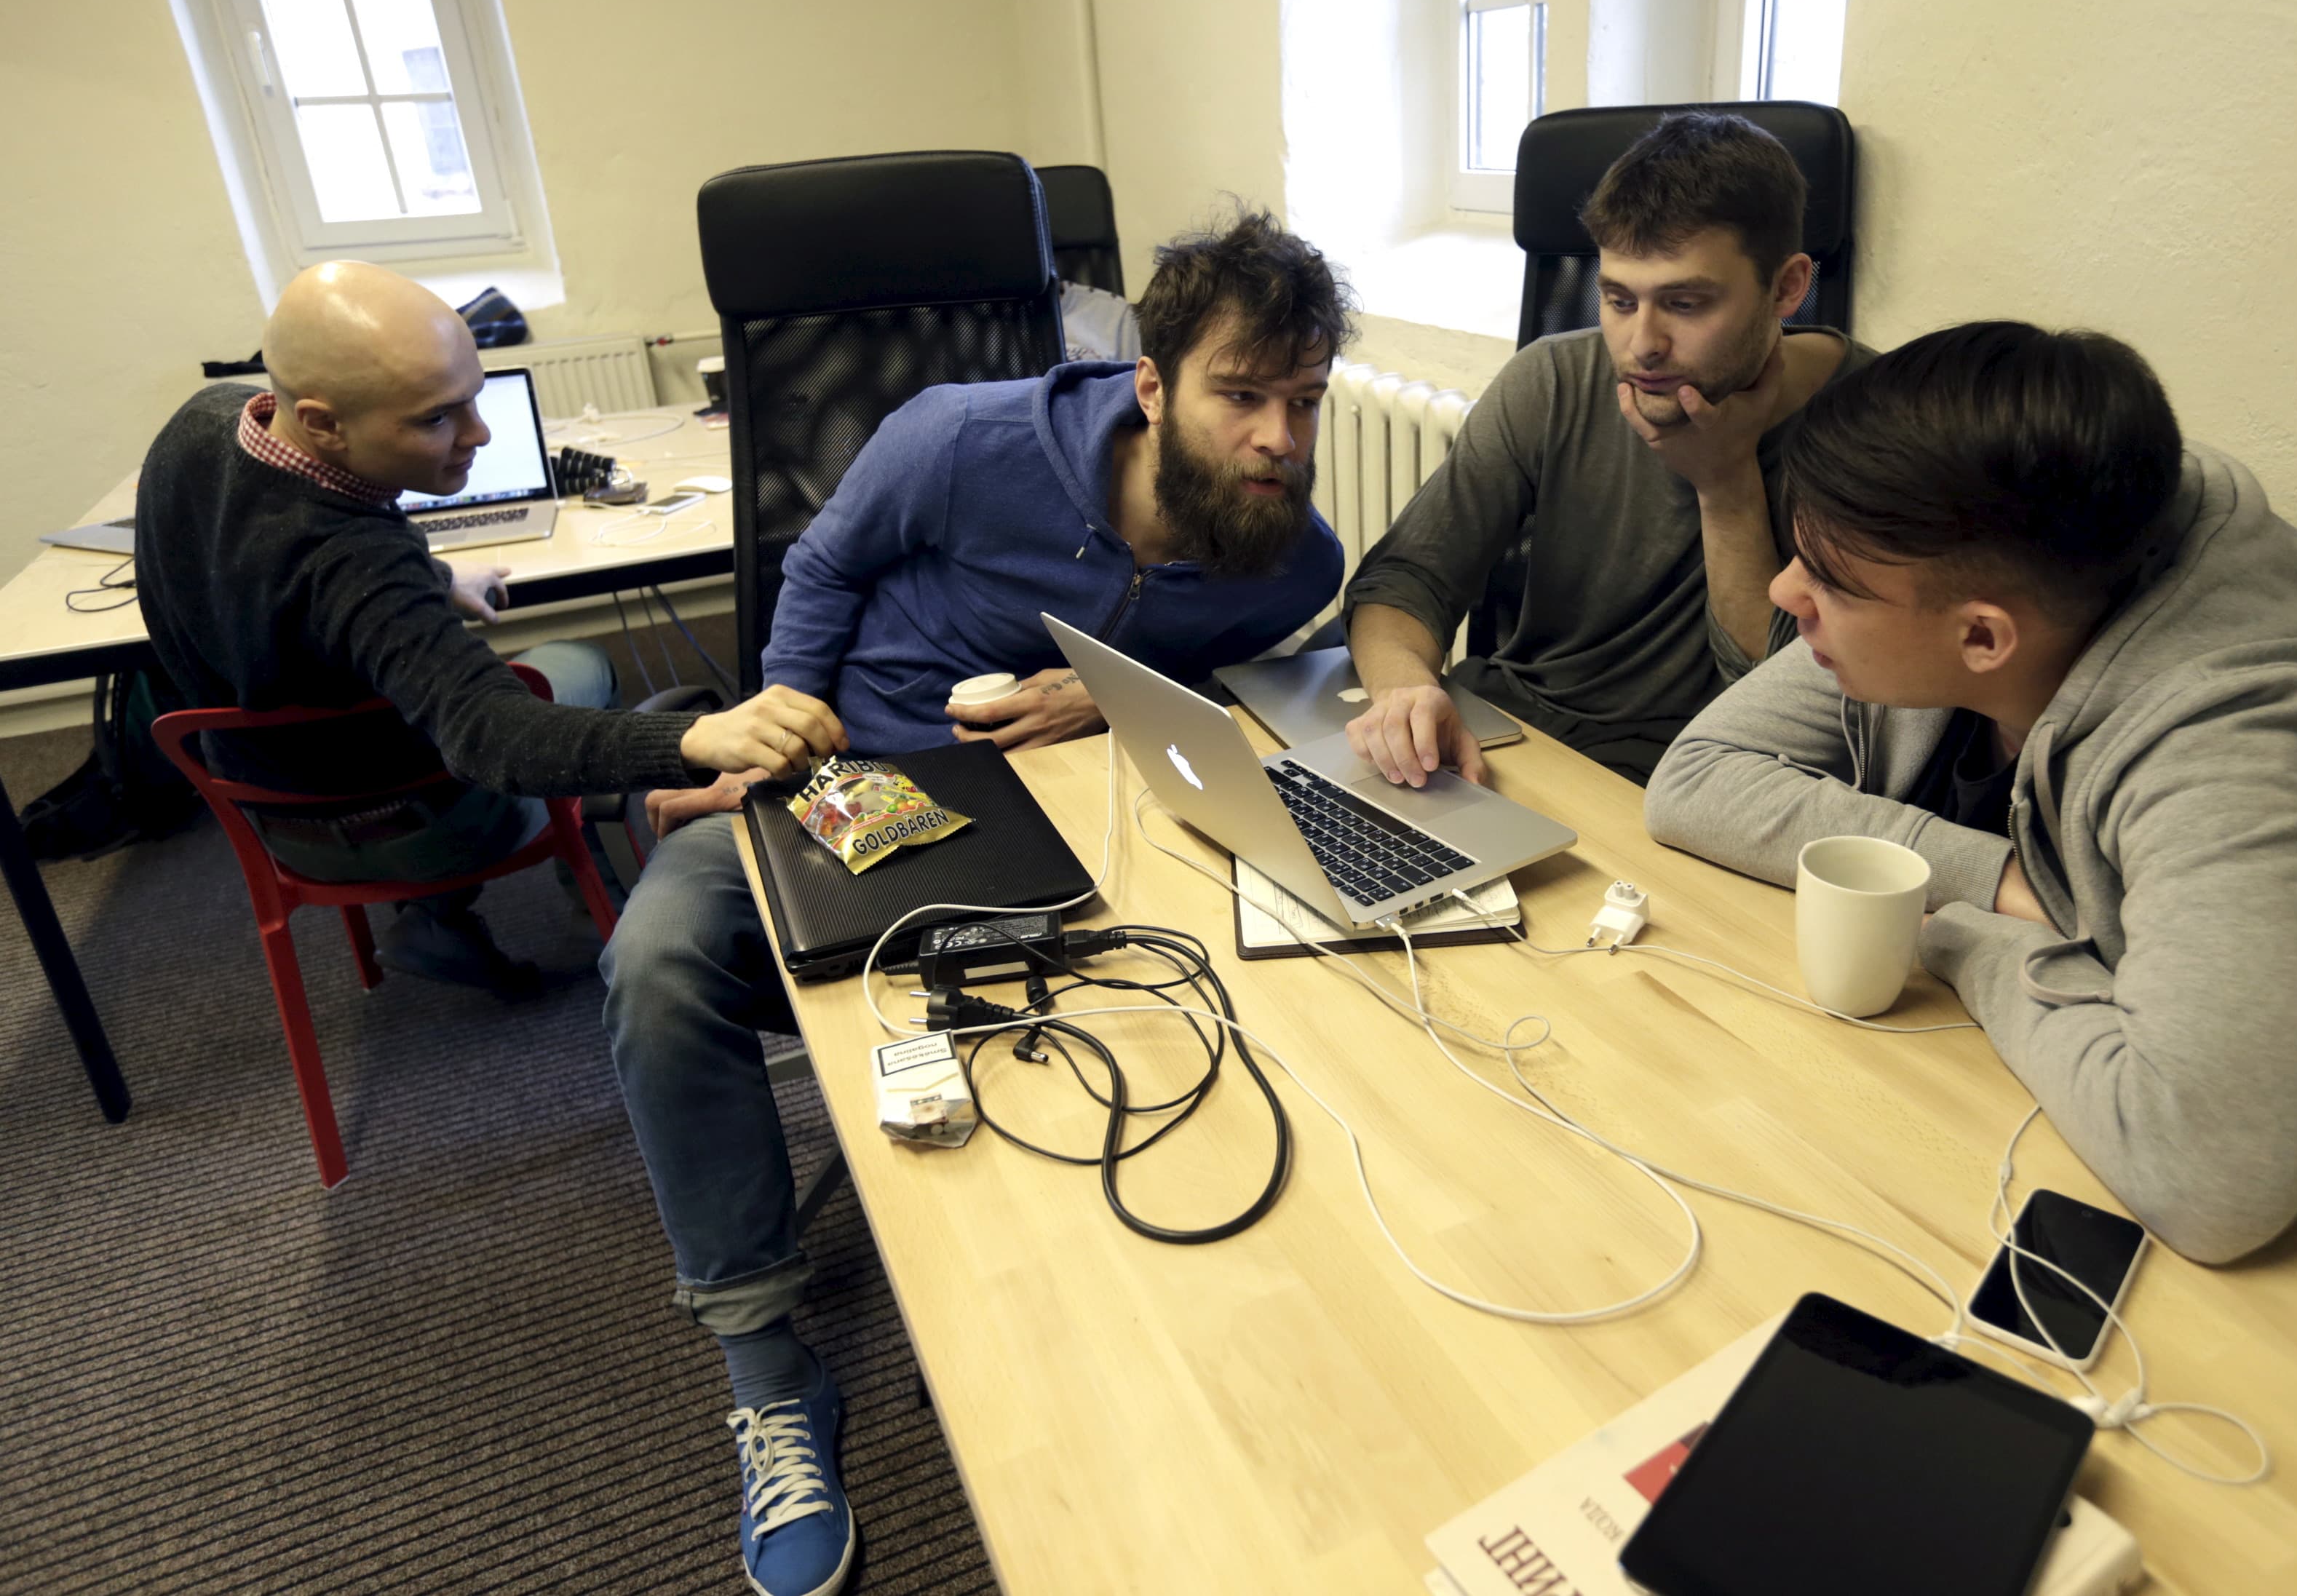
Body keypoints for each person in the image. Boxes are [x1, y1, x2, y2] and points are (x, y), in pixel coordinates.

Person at [601, 210, 1349, 1596]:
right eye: (1242, 395)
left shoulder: (1286, 549)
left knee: (1258, 956)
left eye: (1303, 401)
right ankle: (768, 1369)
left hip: (1089, 820)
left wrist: (1122, 702)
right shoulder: (961, 440)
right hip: (864, 776)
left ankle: (1160, 1336)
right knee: (657, 962)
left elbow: (1278, 676)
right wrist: (781, 732)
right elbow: (818, 570)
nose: (1278, 440)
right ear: (1154, 384)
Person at [1643, 320, 2297, 1264]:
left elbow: (2212, 1181)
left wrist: (1954, 933)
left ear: (1984, 640)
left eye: (1826, 578)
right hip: (2076, 1104)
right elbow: (1697, 781)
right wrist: (1992, 878)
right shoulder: (1960, 545)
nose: (1787, 591)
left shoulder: (2240, 753)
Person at [134, 261, 846, 996]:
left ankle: (439, 921)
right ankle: (594, 902)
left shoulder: (204, 423)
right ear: (320, 421)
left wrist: (437, 580)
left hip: (267, 806)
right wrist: (695, 738)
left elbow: (282, 573)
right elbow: (491, 734)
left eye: (473, 398)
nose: (478, 432)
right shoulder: (358, 565)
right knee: (573, 664)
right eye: (435, 417)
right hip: (406, 826)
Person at [1340, 110, 1876, 789]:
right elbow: (1405, 579)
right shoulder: (1553, 379)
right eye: (1618, 300)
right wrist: (1404, 695)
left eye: (1684, 304)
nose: (1642, 344)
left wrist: (1726, 480)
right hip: (1510, 743)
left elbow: (1789, 716)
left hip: (1702, 786)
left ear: (1788, 288)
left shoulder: (1877, 424)